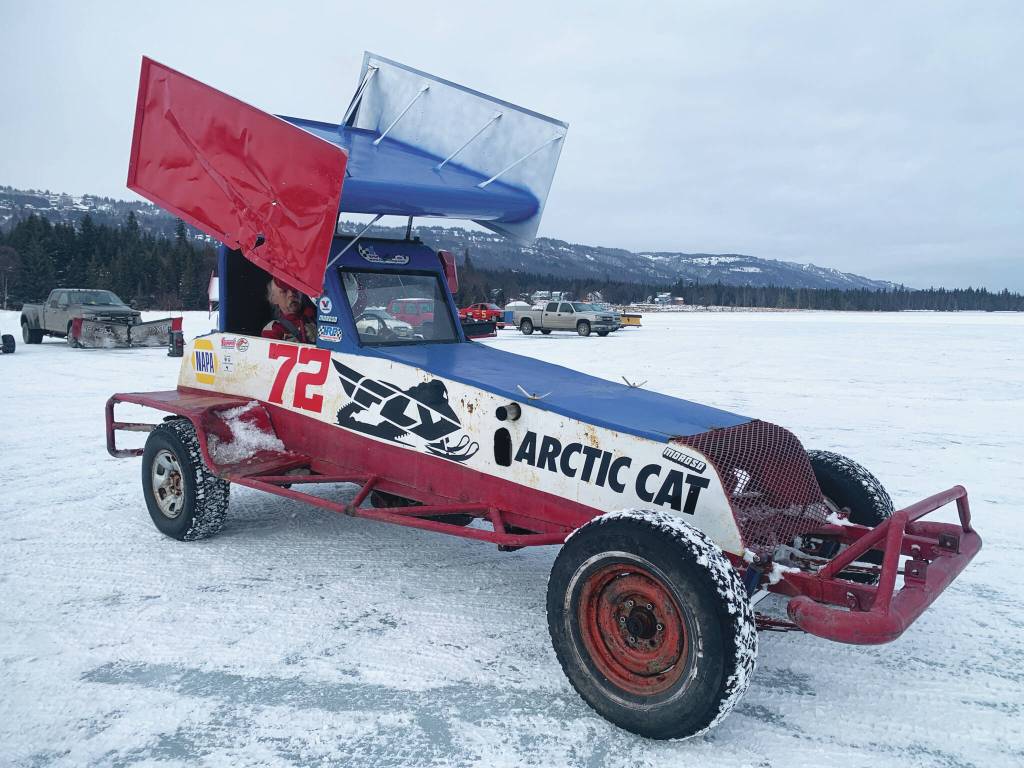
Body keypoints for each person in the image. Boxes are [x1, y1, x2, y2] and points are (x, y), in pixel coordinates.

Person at [262, 276, 317, 343]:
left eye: (295, 289)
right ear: (273, 299)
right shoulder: (273, 330)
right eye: (284, 291)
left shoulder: (317, 316)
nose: (291, 294)